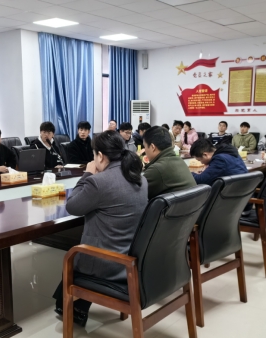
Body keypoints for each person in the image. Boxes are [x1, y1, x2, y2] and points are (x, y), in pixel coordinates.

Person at [52, 130, 148, 326]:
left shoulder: (99, 182)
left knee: (75, 257)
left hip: (108, 262)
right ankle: (72, 306)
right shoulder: (140, 178)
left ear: (101, 156)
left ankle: (73, 309)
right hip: (132, 255)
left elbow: (73, 206)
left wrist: (88, 173)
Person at [142, 126, 196, 199]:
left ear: (152, 147)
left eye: (145, 147)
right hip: (191, 205)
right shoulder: (180, 161)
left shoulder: (157, 169)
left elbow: (135, 194)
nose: (145, 150)